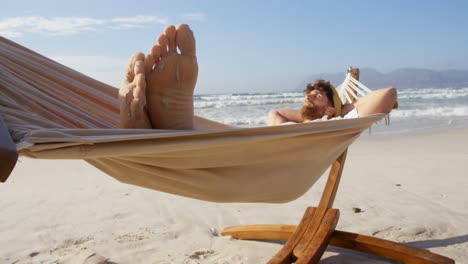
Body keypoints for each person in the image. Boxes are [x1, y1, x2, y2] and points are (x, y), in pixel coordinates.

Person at [118, 24, 397, 130]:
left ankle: (170, 122)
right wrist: (285, 125)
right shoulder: (302, 120)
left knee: (212, 146)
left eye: (317, 94)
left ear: (331, 105)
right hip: (267, 144)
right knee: (210, 139)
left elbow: (388, 94)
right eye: (308, 92)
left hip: (269, 162)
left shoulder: (332, 122)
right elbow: (276, 111)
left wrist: (347, 110)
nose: (308, 94)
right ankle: (149, 123)